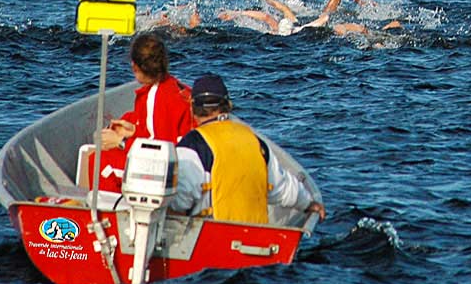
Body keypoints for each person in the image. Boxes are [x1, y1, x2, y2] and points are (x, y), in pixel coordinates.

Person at [172, 75, 325, 224]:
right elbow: (284, 189)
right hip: (255, 241)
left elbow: (180, 201)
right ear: (228, 106)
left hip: (209, 240)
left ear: (192, 108)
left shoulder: (192, 145)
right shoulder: (257, 142)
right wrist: (309, 204)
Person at [97, 34, 194, 192]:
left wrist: (121, 142)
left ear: (135, 66)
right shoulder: (173, 86)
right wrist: (133, 131)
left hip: (170, 173)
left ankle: (111, 210)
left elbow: (158, 150)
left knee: (98, 161)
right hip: (185, 160)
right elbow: (161, 131)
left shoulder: (158, 97)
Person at [219, 0, 402, 37]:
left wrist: (238, 13)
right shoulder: (290, 25)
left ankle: (385, 28)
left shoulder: (284, 28)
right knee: (353, 26)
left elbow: (268, 15)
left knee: (354, 28)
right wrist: (237, 13)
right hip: (319, 22)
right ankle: (384, 26)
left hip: (319, 24)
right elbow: (271, 13)